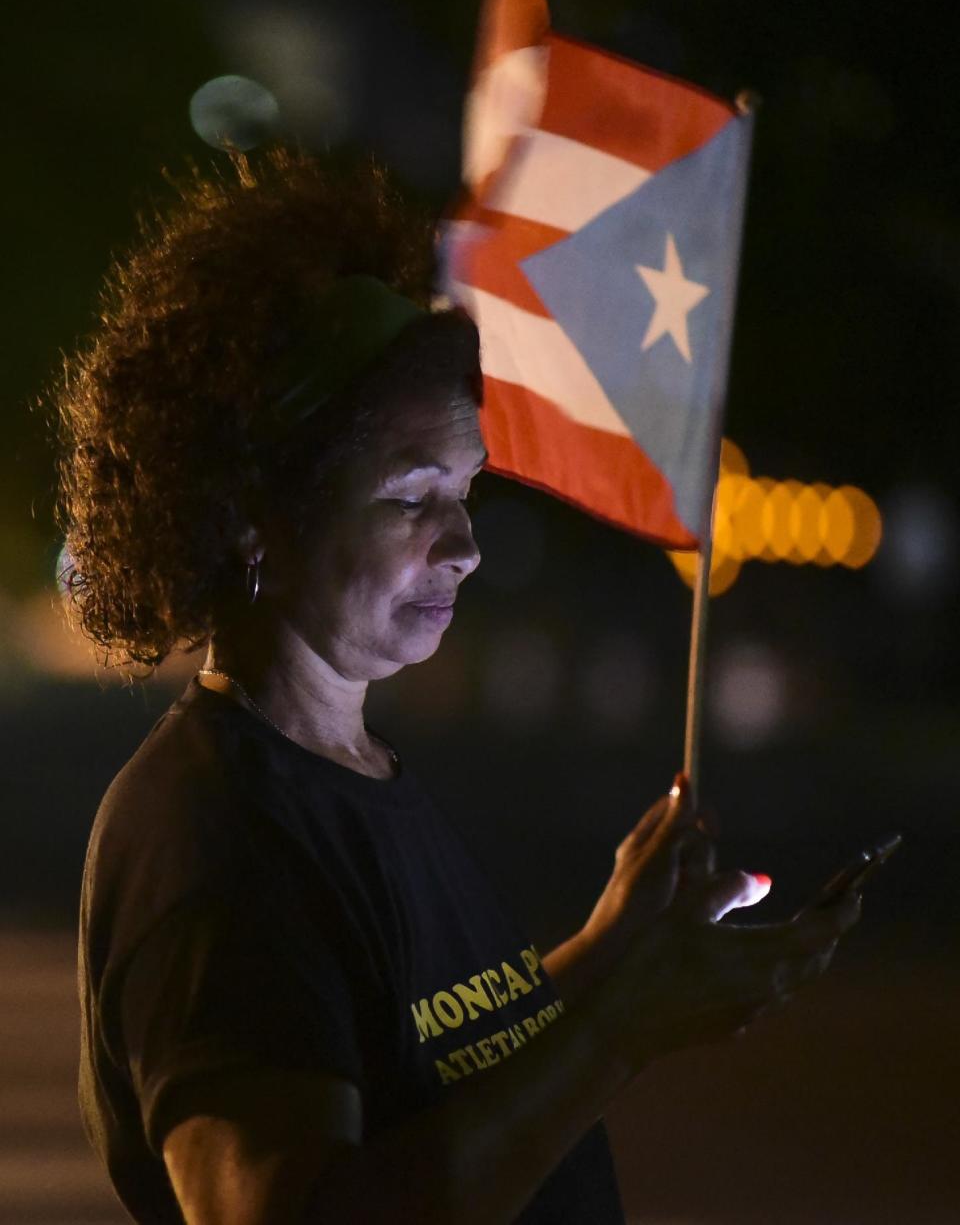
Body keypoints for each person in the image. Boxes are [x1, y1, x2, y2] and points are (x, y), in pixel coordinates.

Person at [55, 147, 861, 1225]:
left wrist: (607, 955)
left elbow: (433, 1066)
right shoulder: (213, 833)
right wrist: (616, 1031)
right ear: (257, 517)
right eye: (411, 496)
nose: (466, 545)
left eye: (469, 489)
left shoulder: (351, 775)